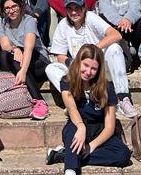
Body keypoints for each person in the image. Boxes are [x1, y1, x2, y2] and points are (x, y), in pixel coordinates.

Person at [47, 0, 138, 119]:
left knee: (114, 49)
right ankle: (77, 99)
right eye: (70, 8)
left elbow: (116, 34)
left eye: (77, 8)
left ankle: (122, 97)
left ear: (84, 7)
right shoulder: (63, 25)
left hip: (98, 67)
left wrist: (93, 50)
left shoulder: (90, 17)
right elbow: (60, 55)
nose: (74, 12)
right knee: (51, 68)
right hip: (80, 70)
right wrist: (74, 63)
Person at [45, 44, 131, 175]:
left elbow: (109, 127)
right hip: (76, 124)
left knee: (123, 155)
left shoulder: (107, 88)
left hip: (99, 129)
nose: (88, 72)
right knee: (73, 135)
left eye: (94, 69)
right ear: (78, 62)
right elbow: (72, 109)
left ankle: (64, 156)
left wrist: (91, 146)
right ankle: (71, 170)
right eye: (85, 65)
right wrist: (81, 127)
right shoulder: (67, 81)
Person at [0, 0, 51, 120]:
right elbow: (4, 45)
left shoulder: (29, 20)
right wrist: (15, 49)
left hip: (38, 61)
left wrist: (23, 70)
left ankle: (40, 101)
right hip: (20, 61)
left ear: (21, 5)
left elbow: (29, 48)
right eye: (7, 8)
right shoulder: (3, 22)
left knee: (16, 60)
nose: (11, 11)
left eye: (14, 6)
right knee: (4, 54)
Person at [96, 0, 141, 73]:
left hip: (130, 26)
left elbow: (136, 7)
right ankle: (126, 54)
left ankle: (139, 51)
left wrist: (127, 19)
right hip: (114, 27)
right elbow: (106, 10)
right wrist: (121, 21)